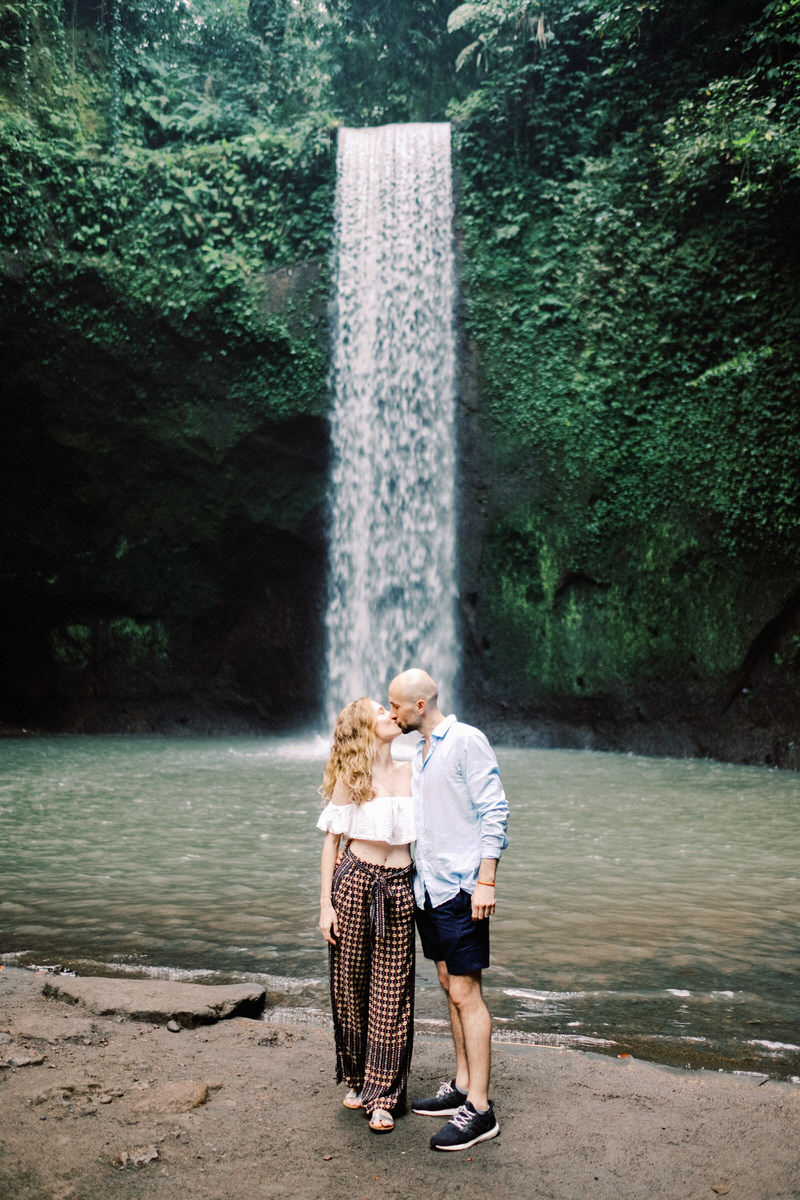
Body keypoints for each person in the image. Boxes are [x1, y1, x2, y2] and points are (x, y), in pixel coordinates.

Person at [388, 668, 509, 1152]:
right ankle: (461, 1085)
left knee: (466, 992)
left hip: (462, 886)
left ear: (419, 705)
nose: (390, 711)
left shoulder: (465, 741)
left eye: (395, 704)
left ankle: (479, 1110)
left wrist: (486, 880)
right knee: (448, 986)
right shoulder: (419, 753)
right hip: (429, 888)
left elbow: (494, 810)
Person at [317, 697, 416, 1133]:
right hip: (355, 883)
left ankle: (384, 1094)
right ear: (363, 729)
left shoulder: (415, 771)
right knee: (350, 986)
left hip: (399, 887)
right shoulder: (352, 778)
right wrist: (325, 904)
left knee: (393, 994)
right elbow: (331, 844)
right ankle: (357, 1076)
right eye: (379, 712)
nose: (390, 715)